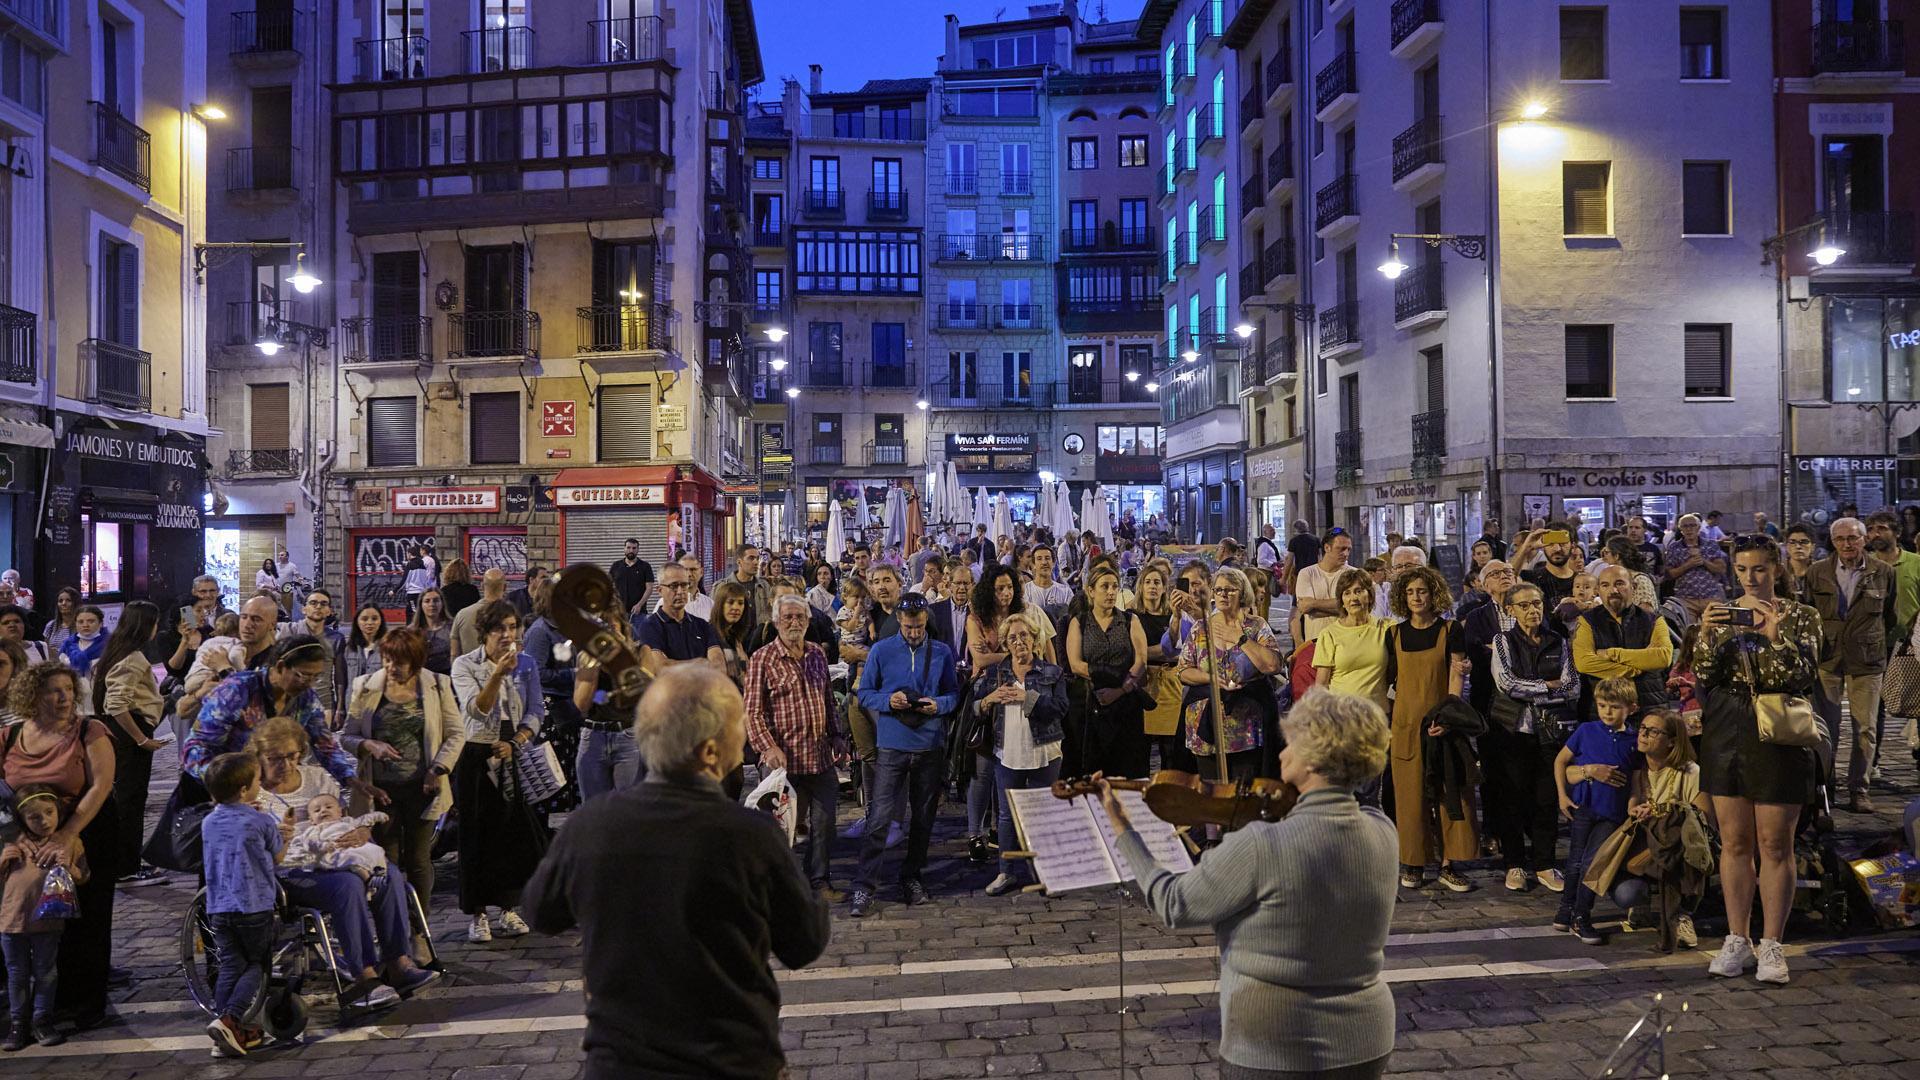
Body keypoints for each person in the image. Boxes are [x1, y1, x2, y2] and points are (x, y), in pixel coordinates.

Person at [524, 664, 828, 1080]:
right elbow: (803, 944)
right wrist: (805, 885)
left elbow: (541, 912)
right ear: (710, 751)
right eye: (737, 726)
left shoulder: (590, 825)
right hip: (730, 1060)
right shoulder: (749, 835)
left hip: (622, 1062)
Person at [1093, 689, 1397, 1080]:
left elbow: (1173, 903)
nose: (1282, 753)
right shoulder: (1382, 830)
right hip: (1367, 1040)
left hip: (1276, 1048)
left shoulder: (1262, 844)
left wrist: (1122, 827)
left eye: (1293, 743)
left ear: (1315, 758)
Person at [1694, 534, 1821, 984]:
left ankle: (1772, 944)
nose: (1750, 578)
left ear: (1777, 569)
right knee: (1734, 842)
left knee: (1775, 843)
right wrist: (1706, 635)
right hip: (1727, 725)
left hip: (1778, 727)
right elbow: (1704, 674)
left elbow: (1804, 675)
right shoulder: (1724, 613)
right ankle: (1736, 938)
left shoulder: (1801, 615)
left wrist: (1775, 637)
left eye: (1760, 569)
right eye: (1743, 569)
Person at [245, 718, 432, 1007]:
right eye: (275, 758)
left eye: (292, 756)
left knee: (388, 873)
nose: (286, 765)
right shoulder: (252, 791)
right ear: (259, 757)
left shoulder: (317, 778)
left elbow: (345, 818)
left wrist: (360, 832)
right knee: (347, 885)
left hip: (337, 857)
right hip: (289, 868)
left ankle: (398, 963)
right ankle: (364, 976)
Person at [0, 663, 117, 1029]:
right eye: (54, 690)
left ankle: (83, 1003)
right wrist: (15, 835)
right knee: (30, 918)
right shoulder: (9, 735)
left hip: (85, 829)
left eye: (68, 689)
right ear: (33, 696)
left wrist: (68, 833)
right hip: (26, 836)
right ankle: (37, 1005)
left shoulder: (88, 730)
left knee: (85, 920)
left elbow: (101, 784)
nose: (64, 697)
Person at [850, 593, 960, 917]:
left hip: (929, 745)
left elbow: (953, 694)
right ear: (899, 621)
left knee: (923, 820)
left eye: (919, 626)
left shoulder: (941, 652)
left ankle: (912, 876)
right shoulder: (881, 651)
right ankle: (865, 885)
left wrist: (938, 705)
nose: (914, 632)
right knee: (879, 818)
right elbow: (865, 693)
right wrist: (889, 700)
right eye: (909, 627)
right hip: (892, 746)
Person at [341, 627, 465, 906]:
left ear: (415, 662)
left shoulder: (437, 685)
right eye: (387, 660)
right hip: (381, 790)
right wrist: (369, 745)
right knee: (387, 858)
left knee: (419, 859)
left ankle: (419, 922)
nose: (391, 667)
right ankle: (393, 920)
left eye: (399, 662)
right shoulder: (365, 686)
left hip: (423, 788)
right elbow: (348, 736)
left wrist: (438, 768)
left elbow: (456, 734)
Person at [450, 601, 547, 944]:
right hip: (476, 752)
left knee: (511, 832)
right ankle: (477, 913)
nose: (507, 635)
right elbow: (476, 710)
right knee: (475, 834)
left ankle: (508, 907)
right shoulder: (465, 665)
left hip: (510, 750)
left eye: (512, 628)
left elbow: (536, 710)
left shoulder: (527, 664)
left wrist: (517, 741)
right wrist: (496, 674)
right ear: (485, 633)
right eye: (499, 629)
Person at [1382, 566, 1476, 892]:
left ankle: (1449, 864)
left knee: (1450, 793)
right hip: (1406, 727)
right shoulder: (1394, 635)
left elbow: (1456, 675)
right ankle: (1415, 862)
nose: (1416, 597)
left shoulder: (1451, 630)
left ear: (1433, 593)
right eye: (1410, 592)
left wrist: (1448, 718)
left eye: (1421, 591)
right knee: (1409, 796)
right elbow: (1390, 682)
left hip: (1442, 723)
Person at [744, 594, 843, 900]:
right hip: (783, 763)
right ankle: (779, 886)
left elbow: (828, 699)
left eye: (800, 617)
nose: (794, 622)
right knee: (781, 829)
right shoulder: (762, 659)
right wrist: (768, 748)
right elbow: (752, 713)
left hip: (819, 756)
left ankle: (819, 881)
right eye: (787, 617)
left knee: (825, 824)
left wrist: (837, 735)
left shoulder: (816, 653)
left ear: (809, 621)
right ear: (776, 622)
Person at [1487, 583, 1578, 893]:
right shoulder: (1503, 640)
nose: (1532, 610)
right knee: (1512, 799)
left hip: (1549, 732)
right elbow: (1506, 683)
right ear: (1511, 610)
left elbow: (1572, 685)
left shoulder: (1557, 640)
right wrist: (1546, 686)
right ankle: (1514, 864)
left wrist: (1534, 689)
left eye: (1536, 603)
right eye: (1524, 605)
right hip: (1512, 730)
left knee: (1546, 800)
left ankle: (1544, 864)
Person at [197, 752, 289, 1057]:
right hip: (254, 905)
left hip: (219, 906)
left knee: (230, 965)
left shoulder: (209, 822)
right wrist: (286, 835)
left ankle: (223, 1034)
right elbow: (278, 856)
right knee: (257, 964)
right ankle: (231, 1018)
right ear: (244, 789)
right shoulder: (260, 821)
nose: (260, 784)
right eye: (257, 781)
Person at [1805, 517, 1893, 813]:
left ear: (1864, 539)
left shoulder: (1883, 572)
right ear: (1833, 542)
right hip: (1828, 657)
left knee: (1865, 728)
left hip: (1867, 658)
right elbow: (1809, 613)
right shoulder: (1817, 572)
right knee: (1825, 728)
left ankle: (1859, 789)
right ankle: (1826, 790)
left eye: (1853, 538)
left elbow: (1889, 614)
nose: (1847, 544)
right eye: (1840, 539)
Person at [977, 611, 1069, 897]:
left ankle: (1046, 874)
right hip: (1008, 754)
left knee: (1043, 814)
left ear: (1034, 639)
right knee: (1007, 816)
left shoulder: (1052, 672)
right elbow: (974, 707)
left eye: (1024, 636)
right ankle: (1006, 871)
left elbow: (1061, 709)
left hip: (1044, 752)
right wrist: (989, 700)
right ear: (1005, 643)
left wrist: (1027, 698)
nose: (1019, 642)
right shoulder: (996, 673)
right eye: (1012, 638)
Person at [1552, 677, 1640, 944]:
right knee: (1575, 860)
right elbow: (1561, 760)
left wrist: (1632, 804)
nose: (1607, 712)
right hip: (1584, 806)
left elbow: (1637, 779)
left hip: (1612, 812)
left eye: (1614, 706)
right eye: (1602, 705)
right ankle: (1567, 910)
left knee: (1593, 862)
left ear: (1631, 708)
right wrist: (1562, 795)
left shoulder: (1634, 739)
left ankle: (1581, 914)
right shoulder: (1587, 730)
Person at [1176, 567, 1284, 783]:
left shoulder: (1256, 626)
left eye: (1230, 590)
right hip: (1206, 727)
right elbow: (1183, 670)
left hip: (1246, 729)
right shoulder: (1200, 628)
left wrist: (1240, 639)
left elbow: (1273, 665)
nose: (1223, 594)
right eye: (1218, 590)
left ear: (1243, 593)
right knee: (1210, 793)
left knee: (1243, 794)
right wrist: (1212, 679)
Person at [1614, 708, 1711, 947]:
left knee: (1685, 848)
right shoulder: (1638, 771)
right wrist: (1636, 811)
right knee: (1627, 894)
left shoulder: (1689, 771)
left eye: (1653, 731)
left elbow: (1705, 817)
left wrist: (1667, 813)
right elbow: (1632, 805)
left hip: (1679, 846)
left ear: (1671, 742)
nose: (1643, 734)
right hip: (1646, 844)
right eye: (1642, 728)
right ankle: (1642, 903)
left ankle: (1682, 914)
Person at [1, 785, 85, 1051]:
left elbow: (83, 876)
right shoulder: (11, 843)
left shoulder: (68, 842)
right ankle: (18, 1023)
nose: (45, 821)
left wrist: (68, 866)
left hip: (48, 921)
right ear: (22, 819)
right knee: (17, 974)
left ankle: (42, 1019)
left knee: (45, 972)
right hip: (12, 921)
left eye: (49, 813)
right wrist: (3, 861)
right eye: (35, 817)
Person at [94, 601, 171, 887]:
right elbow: (116, 704)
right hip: (129, 734)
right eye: (155, 623)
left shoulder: (118, 651)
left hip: (127, 731)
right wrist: (141, 739)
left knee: (129, 799)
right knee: (130, 801)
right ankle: (125, 868)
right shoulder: (132, 657)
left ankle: (128, 862)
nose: (157, 628)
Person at [1064, 565, 1150, 779]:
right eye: (1105, 587)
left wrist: (1120, 690)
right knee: (1092, 773)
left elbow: (1141, 661)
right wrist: (1106, 676)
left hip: (1125, 706)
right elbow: (1075, 664)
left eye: (1114, 586)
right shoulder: (1079, 622)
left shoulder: (1130, 620)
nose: (1111, 592)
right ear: (1091, 591)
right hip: (1089, 705)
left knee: (1127, 772)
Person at [1572, 565, 1674, 720]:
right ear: (1598, 590)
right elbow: (1584, 663)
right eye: (1605, 585)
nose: (1613, 590)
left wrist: (1611, 654)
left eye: (1619, 583)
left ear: (1633, 587)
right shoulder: (1587, 621)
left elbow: (1663, 657)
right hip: (1600, 714)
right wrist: (1635, 669)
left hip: (1650, 709)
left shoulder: (1654, 620)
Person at [1314, 568, 1392, 715]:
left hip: (1377, 715)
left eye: (1358, 591)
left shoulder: (1386, 628)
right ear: (1342, 602)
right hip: (1341, 716)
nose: (1353, 598)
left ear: (1370, 596)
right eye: (1347, 593)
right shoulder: (1329, 634)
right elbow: (1321, 684)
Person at [636, 560, 725, 677]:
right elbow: (659, 668)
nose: (680, 592)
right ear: (660, 590)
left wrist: (673, 664)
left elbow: (719, 665)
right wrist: (702, 663)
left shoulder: (702, 625)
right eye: (673, 586)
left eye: (684, 585)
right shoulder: (650, 626)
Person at [279, 588, 347, 723]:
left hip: (323, 703)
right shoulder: (289, 632)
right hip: (290, 702)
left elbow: (340, 677)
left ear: (329, 611)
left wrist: (340, 708)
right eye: (313, 603)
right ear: (304, 609)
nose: (318, 607)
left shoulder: (336, 638)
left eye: (323, 604)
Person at [1293, 530, 1353, 644]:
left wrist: (1313, 604)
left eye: (1348, 549)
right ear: (1327, 548)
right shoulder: (1307, 573)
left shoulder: (1353, 574)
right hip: (1316, 642)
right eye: (1341, 549)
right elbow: (1305, 608)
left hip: (1346, 642)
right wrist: (1342, 609)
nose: (1346, 554)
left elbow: (1353, 606)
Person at [1665, 514, 1729, 620]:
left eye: (1692, 525)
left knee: (1717, 628)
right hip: (1685, 598)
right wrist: (1688, 564)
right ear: (1680, 529)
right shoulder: (1674, 547)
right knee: (1689, 629)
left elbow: (1721, 569)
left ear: (1698, 527)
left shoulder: (1710, 545)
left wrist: (1703, 561)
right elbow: (1670, 574)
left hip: (1710, 596)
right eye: (1685, 526)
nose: (1689, 529)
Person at [450, 568, 509, 656]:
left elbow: (454, 653)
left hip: (468, 664)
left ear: (482, 586)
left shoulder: (462, 615)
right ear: (505, 587)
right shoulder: (512, 616)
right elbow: (517, 650)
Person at [1518, 528, 1580, 609]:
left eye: (1563, 543)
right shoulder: (1530, 578)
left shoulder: (1583, 581)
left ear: (1573, 546)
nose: (1557, 549)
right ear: (1543, 546)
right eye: (1551, 543)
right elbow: (1509, 576)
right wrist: (1526, 548)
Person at [725, 543, 775, 627]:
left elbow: (772, 613)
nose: (756, 562)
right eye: (751, 558)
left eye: (757, 558)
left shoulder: (764, 586)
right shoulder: (724, 586)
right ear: (739, 562)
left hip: (759, 633)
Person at [408, 587, 455, 675]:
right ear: (421, 605)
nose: (432, 604)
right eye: (427, 601)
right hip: (420, 675)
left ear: (442, 603)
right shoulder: (411, 631)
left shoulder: (452, 627)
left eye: (436, 600)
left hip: (447, 675)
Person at [344, 604, 389, 690]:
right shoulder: (349, 648)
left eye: (374, 619)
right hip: (352, 697)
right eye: (364, 619)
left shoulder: (388, 647)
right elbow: (343, 679)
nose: (369, 623)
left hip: (378, 697)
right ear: (357, 621)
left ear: (381, 621)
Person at [609, 539, 657, 616]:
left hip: (639, 612)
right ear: (624, 548)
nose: (631, 550)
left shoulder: (645, 566)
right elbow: (608, 586)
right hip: (619, 612)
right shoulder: (616, 566)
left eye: (634, 548)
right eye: (628, 547)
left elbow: (649, 588)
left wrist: (639, 605)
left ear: (638, 549)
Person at [42, 588, 81, 658]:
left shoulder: (81, 625)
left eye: (68, 600)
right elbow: (46, 650)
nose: (63, 603)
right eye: (60, 601)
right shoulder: (51, 625)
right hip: (54, 663)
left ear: (75, 603)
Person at [401, 545, 437, 619]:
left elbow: (423, 575)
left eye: (421, 550)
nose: (420, 552)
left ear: (423, 551)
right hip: (429, 586)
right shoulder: (432, 560)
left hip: (419, 588)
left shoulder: (423, 561)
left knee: (414, 611)